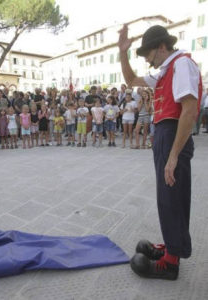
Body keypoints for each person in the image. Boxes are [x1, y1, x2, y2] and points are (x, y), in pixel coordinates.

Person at [118, 24, 202, 280]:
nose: (147, 59)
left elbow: (189, 109)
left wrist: (174, 155)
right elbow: (131, 80)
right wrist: (122, 53)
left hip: (173, 134)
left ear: (162, 47)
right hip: (165, 134)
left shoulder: (182, 65)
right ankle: (173, 246)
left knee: (171, 197)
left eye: (149, 54)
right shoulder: (167, 70)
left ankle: (171, 263)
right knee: (168, 196)